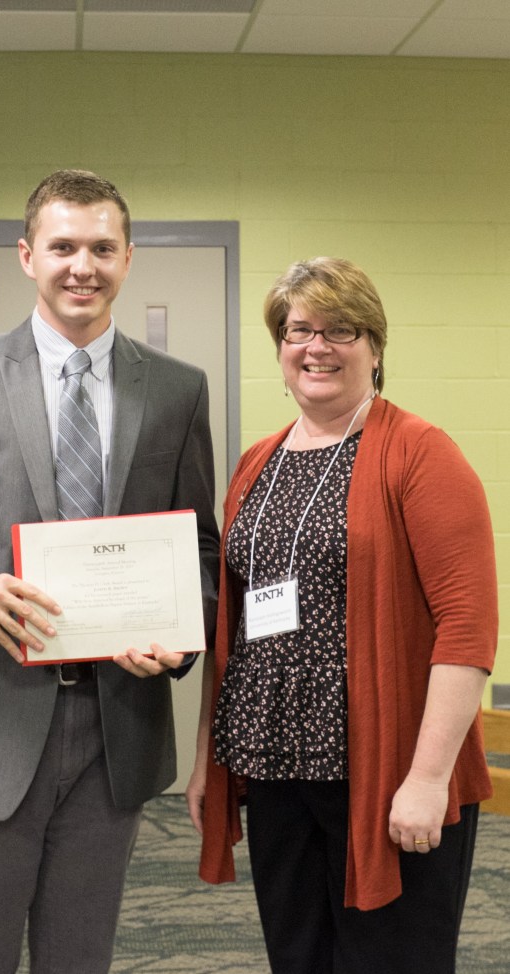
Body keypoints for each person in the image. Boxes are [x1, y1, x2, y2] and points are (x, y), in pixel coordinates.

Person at [0, 168, 219, 974]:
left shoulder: (175, 391)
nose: (81, 266)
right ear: (27, 255)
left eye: (102, 247)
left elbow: (200, 546)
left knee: (80, 956)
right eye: (63, 246)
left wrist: (176, 635)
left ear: (128, 258)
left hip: (114, 729)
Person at [186, 256, 497, 974]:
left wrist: (425, 778)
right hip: (272, 765)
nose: (316, 346)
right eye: (299, 330)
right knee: (298, 958)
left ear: (376, 347)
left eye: (341, 330)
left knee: (390, 960)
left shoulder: (420, 453)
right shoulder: (255, 463)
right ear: (280, 346)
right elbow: (231, 629)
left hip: (385, 766)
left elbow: (468, 628)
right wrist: (210, 758)